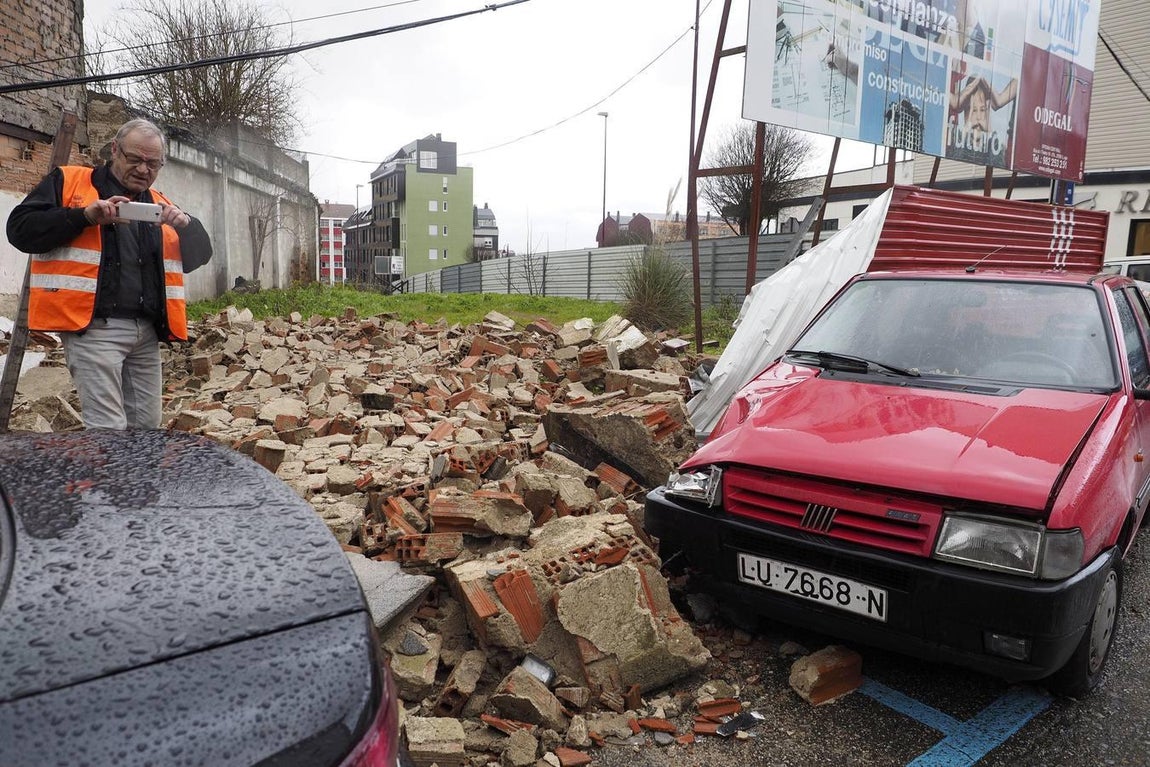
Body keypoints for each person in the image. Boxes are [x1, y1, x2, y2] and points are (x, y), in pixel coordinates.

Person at [6, 118, 212, 430]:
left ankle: (137, 480)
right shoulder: (71, 182)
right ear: (114, 150)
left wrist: (186, 225)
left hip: (146, 331)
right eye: (135, 159)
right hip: (94, 328)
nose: (144, 170)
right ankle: (109, 480)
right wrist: (84, 217)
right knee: (108, 430)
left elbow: (199, 256)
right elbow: (20, 230)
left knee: (146, 428)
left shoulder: (161, 204)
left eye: (153, 164)